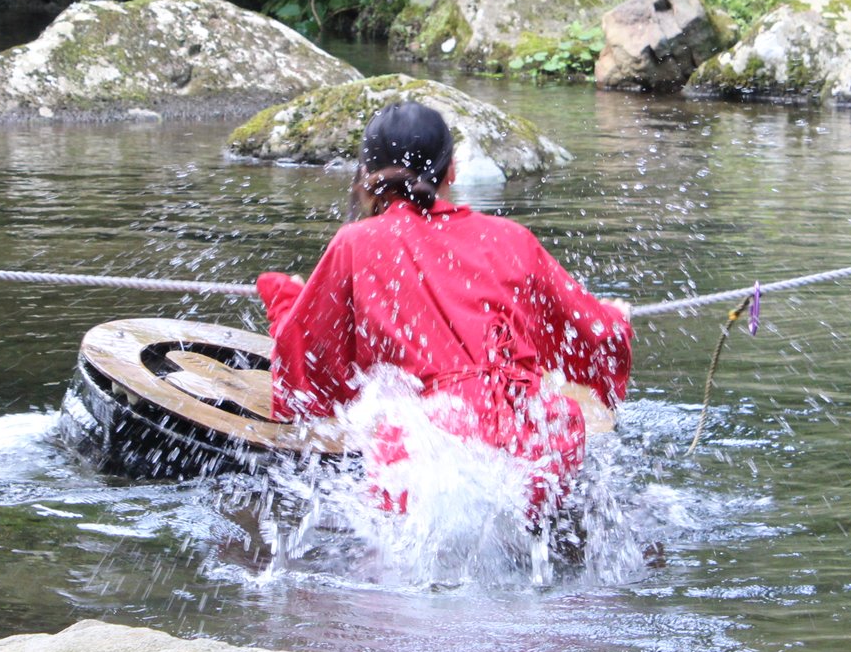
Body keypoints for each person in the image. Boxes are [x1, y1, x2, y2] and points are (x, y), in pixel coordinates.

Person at [256, 100, 632, 513]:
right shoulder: (512, 239)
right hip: (538, 439)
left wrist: (287, 301)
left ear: (365, 175)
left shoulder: (356, 243)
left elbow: (306, 361)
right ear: (452, 169)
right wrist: (617, 317)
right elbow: (599, 338)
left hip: (428, 453)